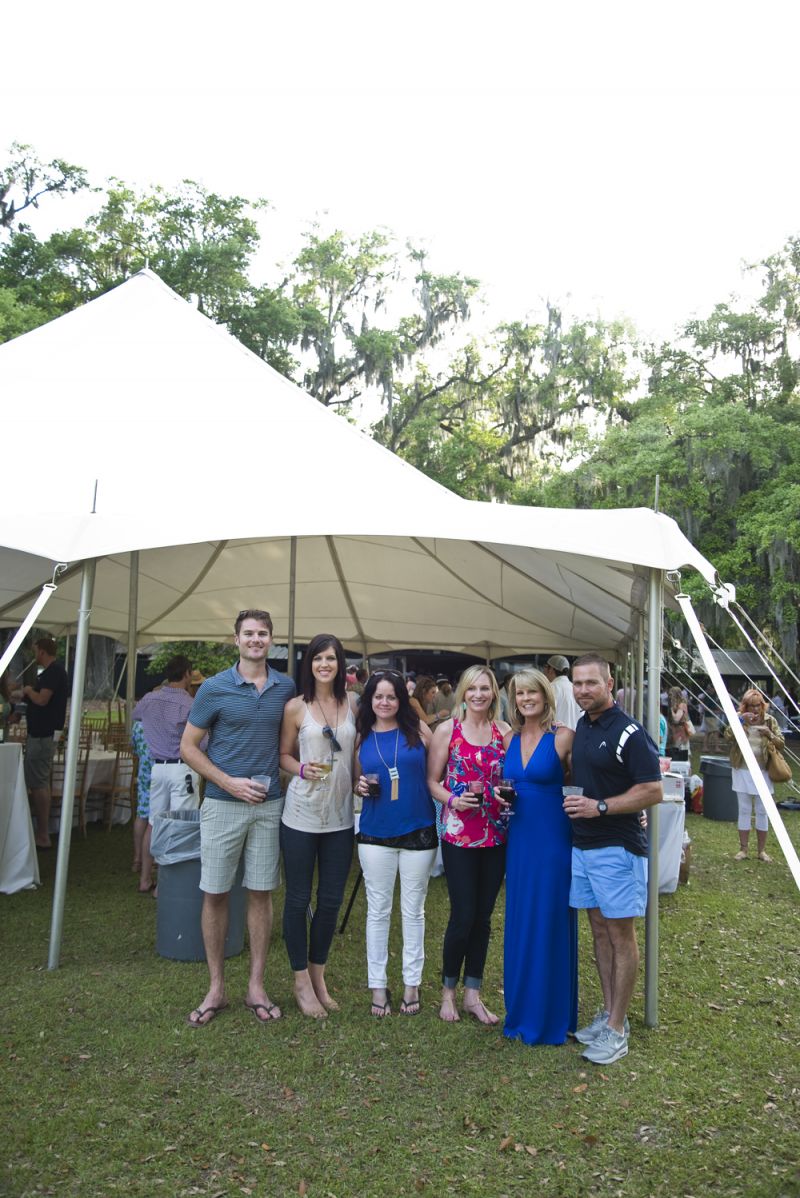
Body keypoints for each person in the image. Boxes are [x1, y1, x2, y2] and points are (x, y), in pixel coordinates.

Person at [180, 610, 295, 1027]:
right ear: (236, 640)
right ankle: (216, 987)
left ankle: (256, 986)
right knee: (215, 892)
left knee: (262, 892)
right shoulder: (213, 688)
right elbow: (188, 747)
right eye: (248, 633)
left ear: (271, 640)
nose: (256, 640)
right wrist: (229, 783)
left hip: (268, 804)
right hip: (223, 804)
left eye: (263, 634)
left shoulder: (286, 687)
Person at [565, 653, 662, 1065]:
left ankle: (618, 1030)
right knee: (600, 932)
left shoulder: (630, 732)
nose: (583, 689)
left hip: (616, 849)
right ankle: (607, 1014)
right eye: (577, 683)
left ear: (609, 683)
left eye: (591, 682)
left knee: (621, 937)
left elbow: (653, 790)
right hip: (583, 848)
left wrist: (601, 808)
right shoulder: (584, 727)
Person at [279, 634, 357, 1018]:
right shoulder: (296, 707)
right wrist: (301, 767)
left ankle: (318, 976)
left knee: (329, 902)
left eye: (331, 658)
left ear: (341, 664)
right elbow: (283, 756)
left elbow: (359, 753)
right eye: (318, 658)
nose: (325, 664)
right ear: (308, 664)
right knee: (297, 900)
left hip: (341, 818)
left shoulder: (353, 704)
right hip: (300, 816)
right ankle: (299, 982)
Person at [427, 665, 511, 1025]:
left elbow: (514, 779)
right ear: (462, 692)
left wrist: (509, 797)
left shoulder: (505, 733)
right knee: (462, 915)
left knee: (484, 917)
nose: (478, 694)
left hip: (496, 833)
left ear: (494, 693)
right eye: (472, 688)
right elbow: (431, 782)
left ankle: (473, 994)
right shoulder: (447, 731)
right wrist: (452, 800)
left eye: (485, 688)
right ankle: (448, 993)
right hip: (460, 832)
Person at [354, 670, 437, 1017]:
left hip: (419, 829)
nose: (384, 702)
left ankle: (411, 985)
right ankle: (377, 986)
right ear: (370, 700)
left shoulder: (419, 731)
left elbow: (440, 773)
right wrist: (358, 787)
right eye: (378, 696)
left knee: (414, 911)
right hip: (375, 833)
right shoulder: (361, 738)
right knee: (378, 911)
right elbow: (350, 780)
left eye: (391, 696)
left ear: (402, 700)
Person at [502, 669, 577, 1045]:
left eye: (532, 692)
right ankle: (519, 1010)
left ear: (546, 696)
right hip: (519, 836)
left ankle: (551, 1015)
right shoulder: (509, 737)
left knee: (549, 918)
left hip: (552, 838)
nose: (525, 699)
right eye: (519, 694)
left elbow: (580, 784)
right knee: (521, 917)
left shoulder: (564, 737)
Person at [133, 655, 200, 895]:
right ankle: (165, 884)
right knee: (180, 824)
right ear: (186, 674)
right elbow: (202, 741)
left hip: (157, 767)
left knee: (154, 822)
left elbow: (135, 715)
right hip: (181, 768)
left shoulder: (149, 699)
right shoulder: (190, 704)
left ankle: (144, 878)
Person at [15, 637, 69, 849]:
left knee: (38, 783)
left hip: (43, 736)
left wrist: (29, 691)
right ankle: (39, 831)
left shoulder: (53, 672)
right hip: (38, 734)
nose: (33, 655)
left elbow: (42, 699)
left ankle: (43, 834)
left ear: (43, 652)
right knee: (38, 781)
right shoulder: (47, 674)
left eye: (36, 650)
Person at [724, 688, 784, 862]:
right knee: (744, 809)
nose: (755, 709)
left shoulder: (770, 720)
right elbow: (727, 736)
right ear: (745, 706)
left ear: (762, 705)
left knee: (762, 811)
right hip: (741, 769)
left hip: (763, 771)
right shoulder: (739, 718)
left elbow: (781, 743)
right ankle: (743, 849)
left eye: (758, 705)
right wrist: (740, 720)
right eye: (751, 706)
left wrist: (769, 734)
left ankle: (761, 851)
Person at [543, 655, 582, 731]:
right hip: (576, 737)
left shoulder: (551, 688)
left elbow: (545, 715)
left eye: (546, 666)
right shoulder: (576, 689)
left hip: (556, 737)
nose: (544, 670)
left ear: (551, 669)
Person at [667, 686, 692, 762]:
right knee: (677, 750)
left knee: (683, 751)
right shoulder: (677, 704)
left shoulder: (681, 704)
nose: (669, 696)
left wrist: (671, 709)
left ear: (676, 695)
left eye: (671, 694)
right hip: (677, 731)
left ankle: (686, 769)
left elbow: (676, 719)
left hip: (681, 732)